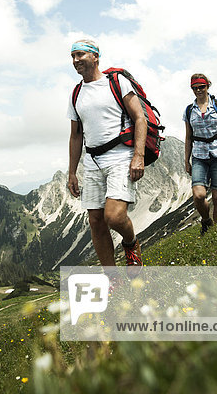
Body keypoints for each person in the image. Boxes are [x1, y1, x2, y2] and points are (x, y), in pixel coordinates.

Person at [67, 39, 147, 271]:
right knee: (96, 223)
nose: (75, 60)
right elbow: (75, 135)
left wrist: (138, 155)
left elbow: (139, 118)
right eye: (72, 56)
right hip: (92, 161)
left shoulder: (117, 82)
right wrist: (72, 172)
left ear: (95, 57)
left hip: (120, 156)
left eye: (80, 55)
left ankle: (131, 243)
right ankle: (112, 278)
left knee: (114, 216)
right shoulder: (76, 93)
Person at [183, 73, 217, 235]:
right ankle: (206, 220)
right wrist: (186, 160)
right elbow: (188, 137)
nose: (198, 90)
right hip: (199, 156)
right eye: (195, 88)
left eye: (202, 87)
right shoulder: (188, 111)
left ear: (208, 86)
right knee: (198, 195)